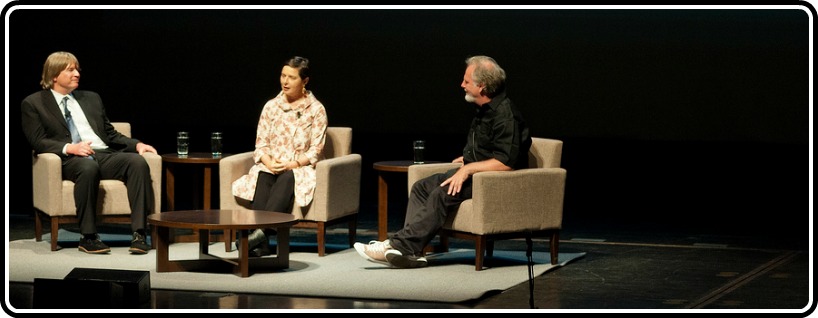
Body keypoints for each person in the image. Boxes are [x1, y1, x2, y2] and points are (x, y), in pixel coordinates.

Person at [354, 55, 532, 268]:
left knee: (442, 192)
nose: (462, 85)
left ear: (482, 86)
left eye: (467, 81)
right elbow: (489, 147)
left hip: (494, 182)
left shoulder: (505, 115)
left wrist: (469, 169)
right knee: (421, 187)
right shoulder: (484, 110)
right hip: (478, 173)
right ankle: (412, 252)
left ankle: (399, 244)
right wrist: (469, 159)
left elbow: (506, 162)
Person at [21, 51, 157, 255]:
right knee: (88, 166)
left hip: (103, 153)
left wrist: (136, 144)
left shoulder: (91, 98)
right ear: (54, 75)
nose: (77, 73)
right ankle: (89, 236)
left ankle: (139, 234)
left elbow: (109, 133)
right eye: (70, 70)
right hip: (70, 158)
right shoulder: (33, 103)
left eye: (77, 69)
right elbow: (38, 141)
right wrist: (71, 148)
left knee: (137, 162)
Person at [231, 56, 328, 257]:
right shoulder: (271, 107)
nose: (285, 81)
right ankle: (262, 242)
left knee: (287, 177)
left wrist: (292, 163)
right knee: (263, 175)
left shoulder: (316, 110)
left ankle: (258, 235)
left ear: (305, 81)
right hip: (271, 164)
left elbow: (315, 151)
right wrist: (268, 161)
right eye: (283, 76)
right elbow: (261, 144)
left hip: (298, 168)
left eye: (292, 77)